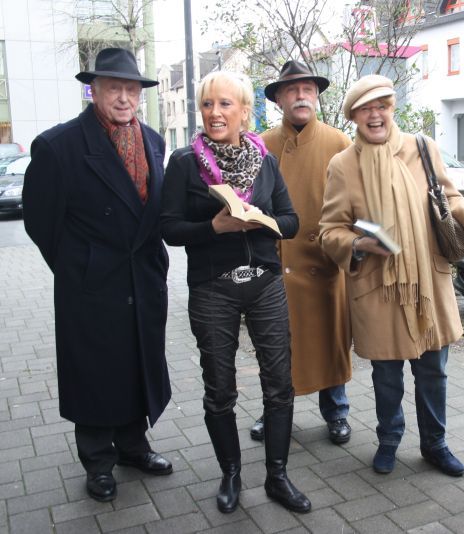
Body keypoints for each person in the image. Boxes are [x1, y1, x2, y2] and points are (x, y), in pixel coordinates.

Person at [319, 75, 464, 477]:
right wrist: (359, 245)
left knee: (434, 371)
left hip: (428, 282)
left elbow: (449, 197)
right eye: (366, 108)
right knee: (387, 376)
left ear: (392, 108)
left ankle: (435, 444)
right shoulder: (343, 166)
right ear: (354, 117)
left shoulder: (422, 149)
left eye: (382, 105)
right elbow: (330, 230)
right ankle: (389, 441)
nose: (375, 114)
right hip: (378, 287)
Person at [22, 47, 173, 503]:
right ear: (94, 90)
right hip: (91, 284)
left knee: (136, 364)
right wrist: (79, 266)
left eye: (131, 89)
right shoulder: (58, 145)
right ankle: (98, 460)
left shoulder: (153, 140)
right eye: (114, 88)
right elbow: (39, 221)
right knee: (94, 371)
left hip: (141, 279)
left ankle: (132, 447)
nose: (125, 97)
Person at [160, 71, 310, 515]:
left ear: (245, 111)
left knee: (279, 384)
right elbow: (168, 229)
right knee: (219, 388)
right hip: (213, 288)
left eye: (225, 104)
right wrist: (215, 226)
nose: (215, 112)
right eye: (208, 104)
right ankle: (231, 474)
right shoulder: (185, 163)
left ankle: (278, 477)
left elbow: (291, 221)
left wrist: (262, 220)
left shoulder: (266, 161)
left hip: (265, 283)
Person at [249, 60, 353, 445]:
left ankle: (337, 412)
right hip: (275, 268)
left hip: (323, 265)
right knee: (275, 346)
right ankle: (274, 412)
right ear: (278, 99)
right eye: (292, 90)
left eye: (308, 89)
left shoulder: (339, 143)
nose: (301, 96)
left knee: (330, 341)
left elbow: (356, 205)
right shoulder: (261, 145)